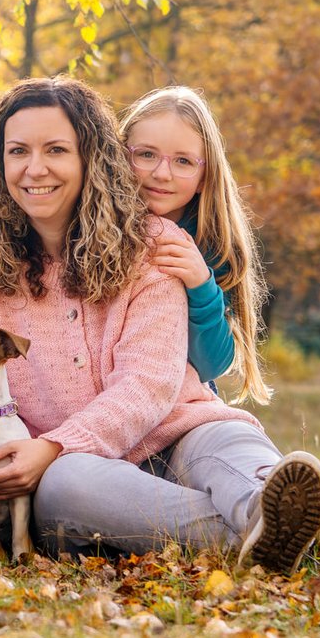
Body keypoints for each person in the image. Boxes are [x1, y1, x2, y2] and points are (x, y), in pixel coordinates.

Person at [0, 77, 320, 573]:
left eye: (57, 150)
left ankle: (265, 509)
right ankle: (297, 537)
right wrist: (48, 450)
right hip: (72, 468)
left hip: (178, 432)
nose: (35, 168)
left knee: (226, 440)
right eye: (18, 150)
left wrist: (55, 443)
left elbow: (149, 386)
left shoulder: (154, 245)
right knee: (67, 487)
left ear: (92, 157)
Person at [120, 86, 270, 402]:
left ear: (205, 176)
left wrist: (201, 286)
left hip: (183, 400)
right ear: (119, 156)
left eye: (183, 161)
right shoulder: (90, 228)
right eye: (146, 154)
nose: (162, 173)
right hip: (108, 393)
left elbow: (211, 366)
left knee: (233, 436)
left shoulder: (211, 245)